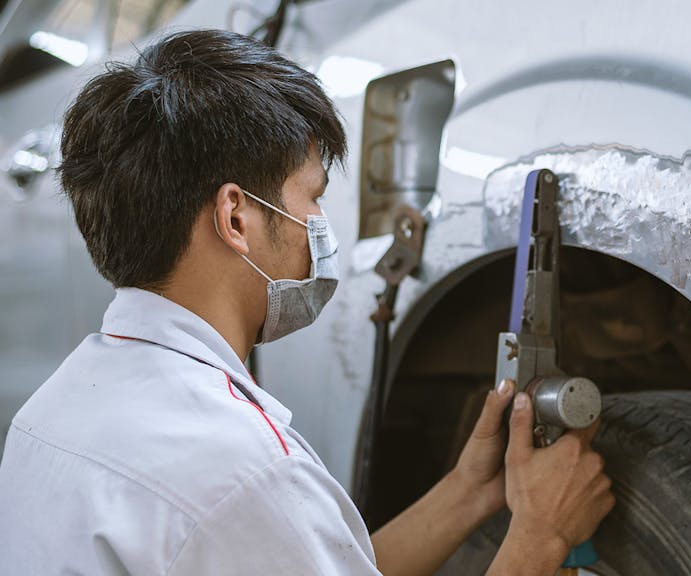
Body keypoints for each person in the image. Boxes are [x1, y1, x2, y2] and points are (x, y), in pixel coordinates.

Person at [0, 29, 613, 575]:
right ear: (235, 217)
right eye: (312, 198)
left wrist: (470, 491)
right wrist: (542, 534)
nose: (320, 225)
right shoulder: (242, 470)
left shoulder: (55, 411)